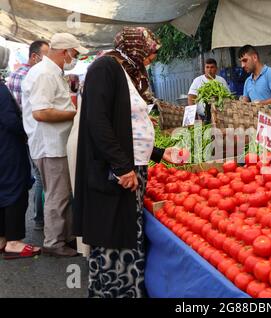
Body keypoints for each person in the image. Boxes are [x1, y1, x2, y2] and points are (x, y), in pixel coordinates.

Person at [73, 27, 187, 298]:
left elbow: (131, 128)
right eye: (150, 52)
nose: (151, 58)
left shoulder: (127, 71)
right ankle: (115, 292)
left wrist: (159, 154)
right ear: (136, 46)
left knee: (129, 236)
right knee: (115, 237)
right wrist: (121, 167)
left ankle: (129, 291)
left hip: (130, 167)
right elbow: (98, 122)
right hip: (114, 172)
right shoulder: (105, 68)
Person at [21, 33, 88, 257]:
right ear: (64, 51)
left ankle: (65, 236)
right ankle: (54, 242)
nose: (75, 58)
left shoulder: (52, 72)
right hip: (50, 145)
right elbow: (41, 113)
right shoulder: (44, 74)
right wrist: (75, 114)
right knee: (57, 195)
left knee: (62, 194)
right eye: (75, 53)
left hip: (56, 143)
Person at [0, 45, 41, 259]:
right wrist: (26, 129)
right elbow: (9, 120)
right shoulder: (0, 90)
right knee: (15, 189)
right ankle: (14, 242)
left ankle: (2, 238)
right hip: (8, 148)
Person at [7, 40, 49, 231]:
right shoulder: (31, 76)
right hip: (32, 132)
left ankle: (37, 217)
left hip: (20, 135)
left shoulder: (14, 75)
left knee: (32, 175)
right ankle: (40, 219)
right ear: (34, 56)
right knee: (40, 177)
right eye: (45, 56)